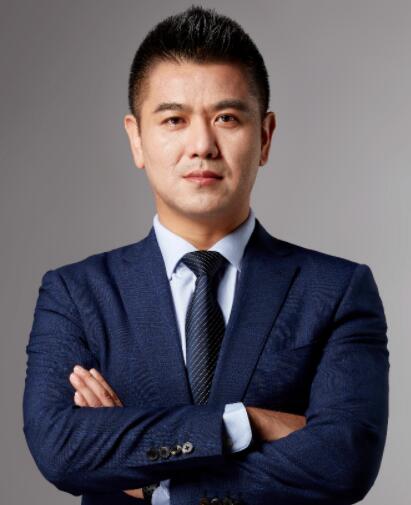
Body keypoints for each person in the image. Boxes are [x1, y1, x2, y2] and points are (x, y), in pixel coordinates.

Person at [22, 5, 389, 505]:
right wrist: (244, 422)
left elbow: (346, 460)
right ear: (136, 138)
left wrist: (152, 479)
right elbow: (61, 449)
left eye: (226, 118)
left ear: (264, 137)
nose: (202, 145)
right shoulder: (76, 293)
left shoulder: (337, 291)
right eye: (174, 119)